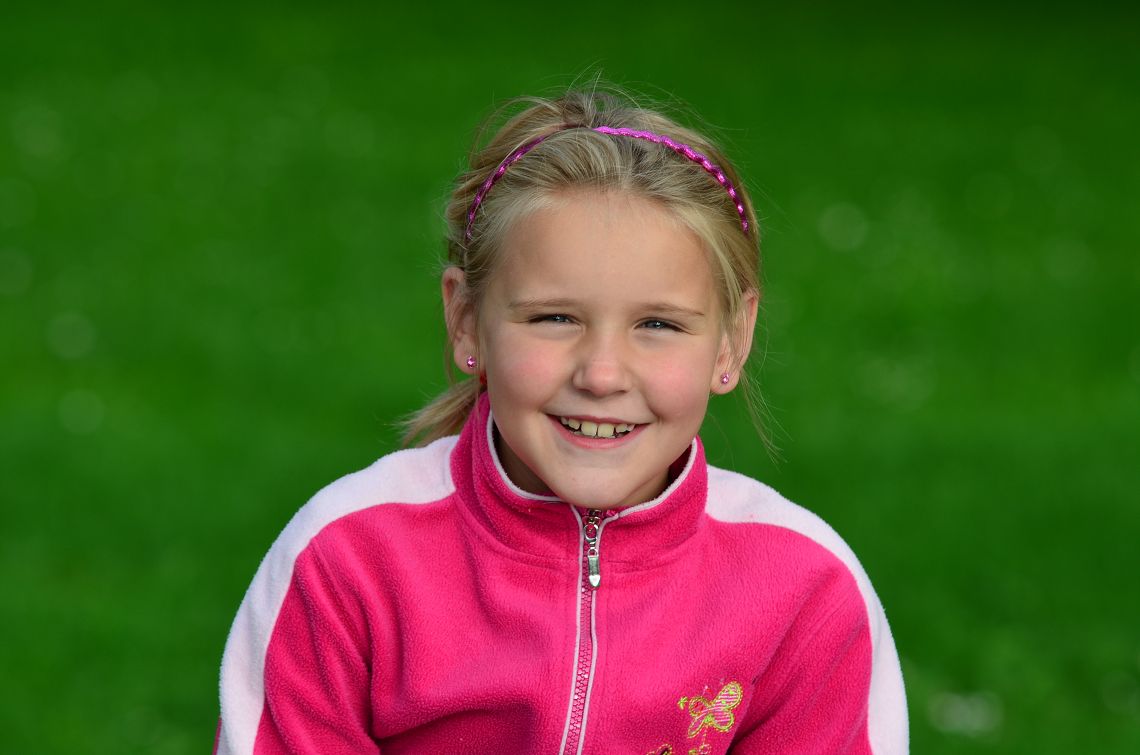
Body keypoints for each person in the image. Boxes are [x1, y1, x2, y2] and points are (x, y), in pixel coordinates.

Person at [214, 87, 908, 754]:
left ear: (731, 341)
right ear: (466, 320)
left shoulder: (806, 589)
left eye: (658, 324)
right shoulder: (346, 559)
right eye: (554, 318)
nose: (601, 374)